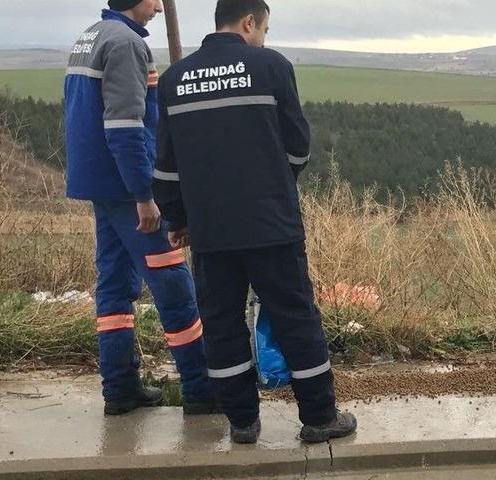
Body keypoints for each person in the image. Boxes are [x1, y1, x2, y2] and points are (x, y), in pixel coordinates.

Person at [153, 0, 357, 444]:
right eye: (264, 29)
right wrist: (276, 184)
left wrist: (179, 216)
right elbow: (298, 146)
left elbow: (166, 169)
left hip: (211, 231)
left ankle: (243, 423)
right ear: (249, 22)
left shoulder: (173, 80)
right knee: (295, 316)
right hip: (271, 224)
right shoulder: (271, 67)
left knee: (222, 323)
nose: (264, 37)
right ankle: (320, 418)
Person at [64, 0, 216, 415]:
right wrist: (144, 195)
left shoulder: (91, 37)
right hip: (128, 190)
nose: (159, 7)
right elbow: (125, 126)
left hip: (101, 185)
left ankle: (120, 388)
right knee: (174, 286)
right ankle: (201, 389)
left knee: (114, 287)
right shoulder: (127, 44)